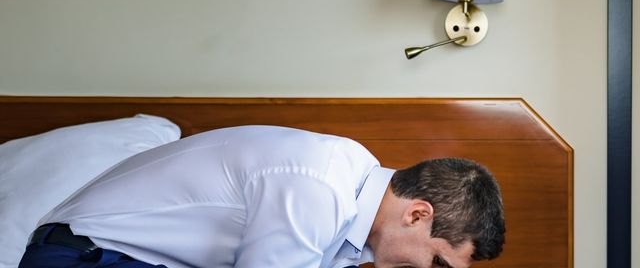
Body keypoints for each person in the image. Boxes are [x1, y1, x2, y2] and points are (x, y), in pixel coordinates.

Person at [19, 125, 505, 268]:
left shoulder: (352, 213)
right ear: (418, 214)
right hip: (79, 255)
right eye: (438, 264)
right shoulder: (321, 188)